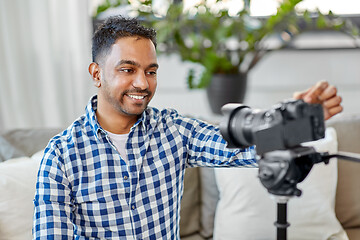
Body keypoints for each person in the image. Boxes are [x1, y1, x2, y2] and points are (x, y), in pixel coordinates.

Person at [32, 16, 343, 239]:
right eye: (128, 69)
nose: (142, 83)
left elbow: (244, 147)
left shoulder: (174, 130)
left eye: (150, 71)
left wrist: (294, 119)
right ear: (97, 73)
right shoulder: (60, 157)